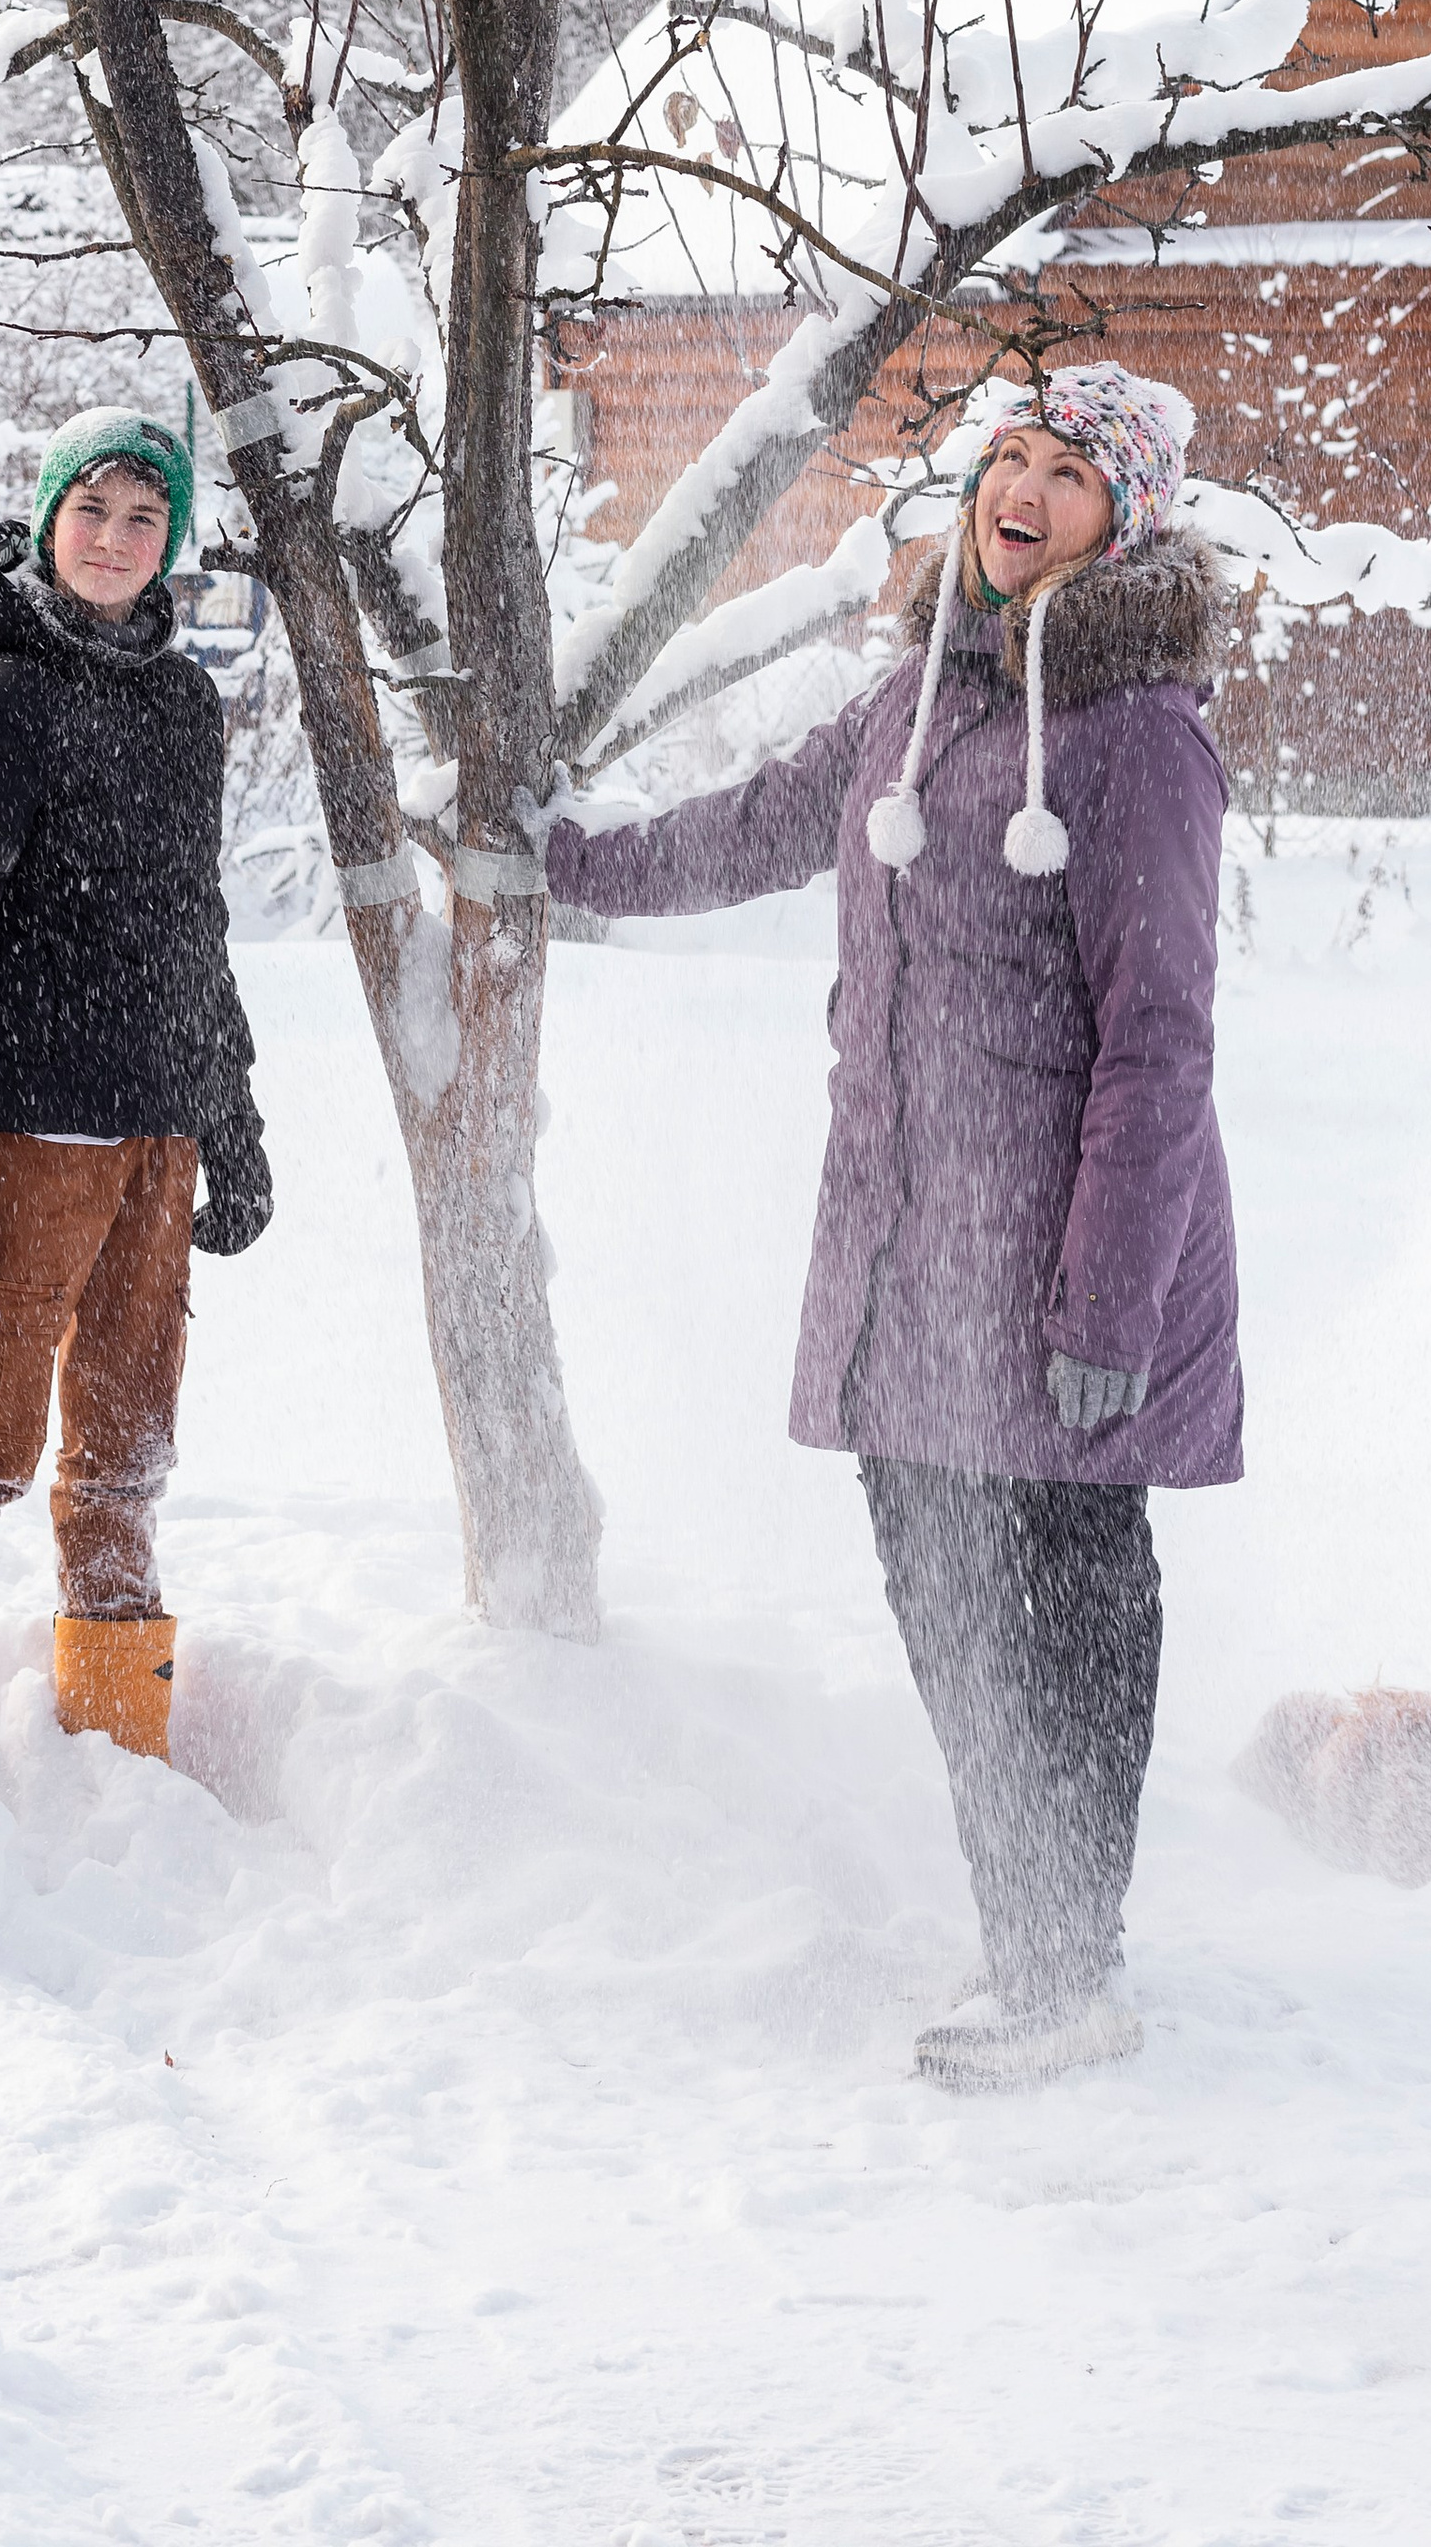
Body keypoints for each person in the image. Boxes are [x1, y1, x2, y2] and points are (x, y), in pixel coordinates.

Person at [544, 363, 1240, 2092]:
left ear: (1124, 515)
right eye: (1007, 456)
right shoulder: (913, 700)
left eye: (1066, 471)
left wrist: (1104, 1317)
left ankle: (1076, 1964)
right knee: (945, 1601)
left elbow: (1159, 1045)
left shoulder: (1140, 733)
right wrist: (552, 862)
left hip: (1070, 1276)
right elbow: (758, 826)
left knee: (1064, 1608)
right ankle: (1031, 1933)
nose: (1021, 487)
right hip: (907, 1252)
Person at [0, 408, 272, 1758]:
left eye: (148, 519)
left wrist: (231, 1118)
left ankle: (115, 1716)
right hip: (30, 1127)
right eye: (96, 509)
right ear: (51, 514)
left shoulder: (182, 706)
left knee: (131, 1440)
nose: (117, 539)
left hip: (158, 1128)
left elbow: (195, 927)